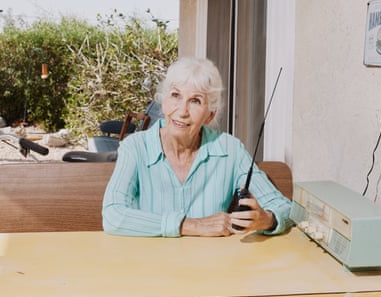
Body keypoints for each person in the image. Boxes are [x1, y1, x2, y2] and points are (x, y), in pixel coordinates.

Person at [102, 56, 292, 237]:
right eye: (175, 95)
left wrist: (267, 220)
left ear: (209, 115)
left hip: (210, 266)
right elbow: (113, 215)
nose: (182, 111)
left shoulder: (230, 150)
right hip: (152, 266)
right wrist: (190, 225)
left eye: (195, 101)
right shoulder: (135, 147)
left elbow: (283, 207)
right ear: (164, 101)